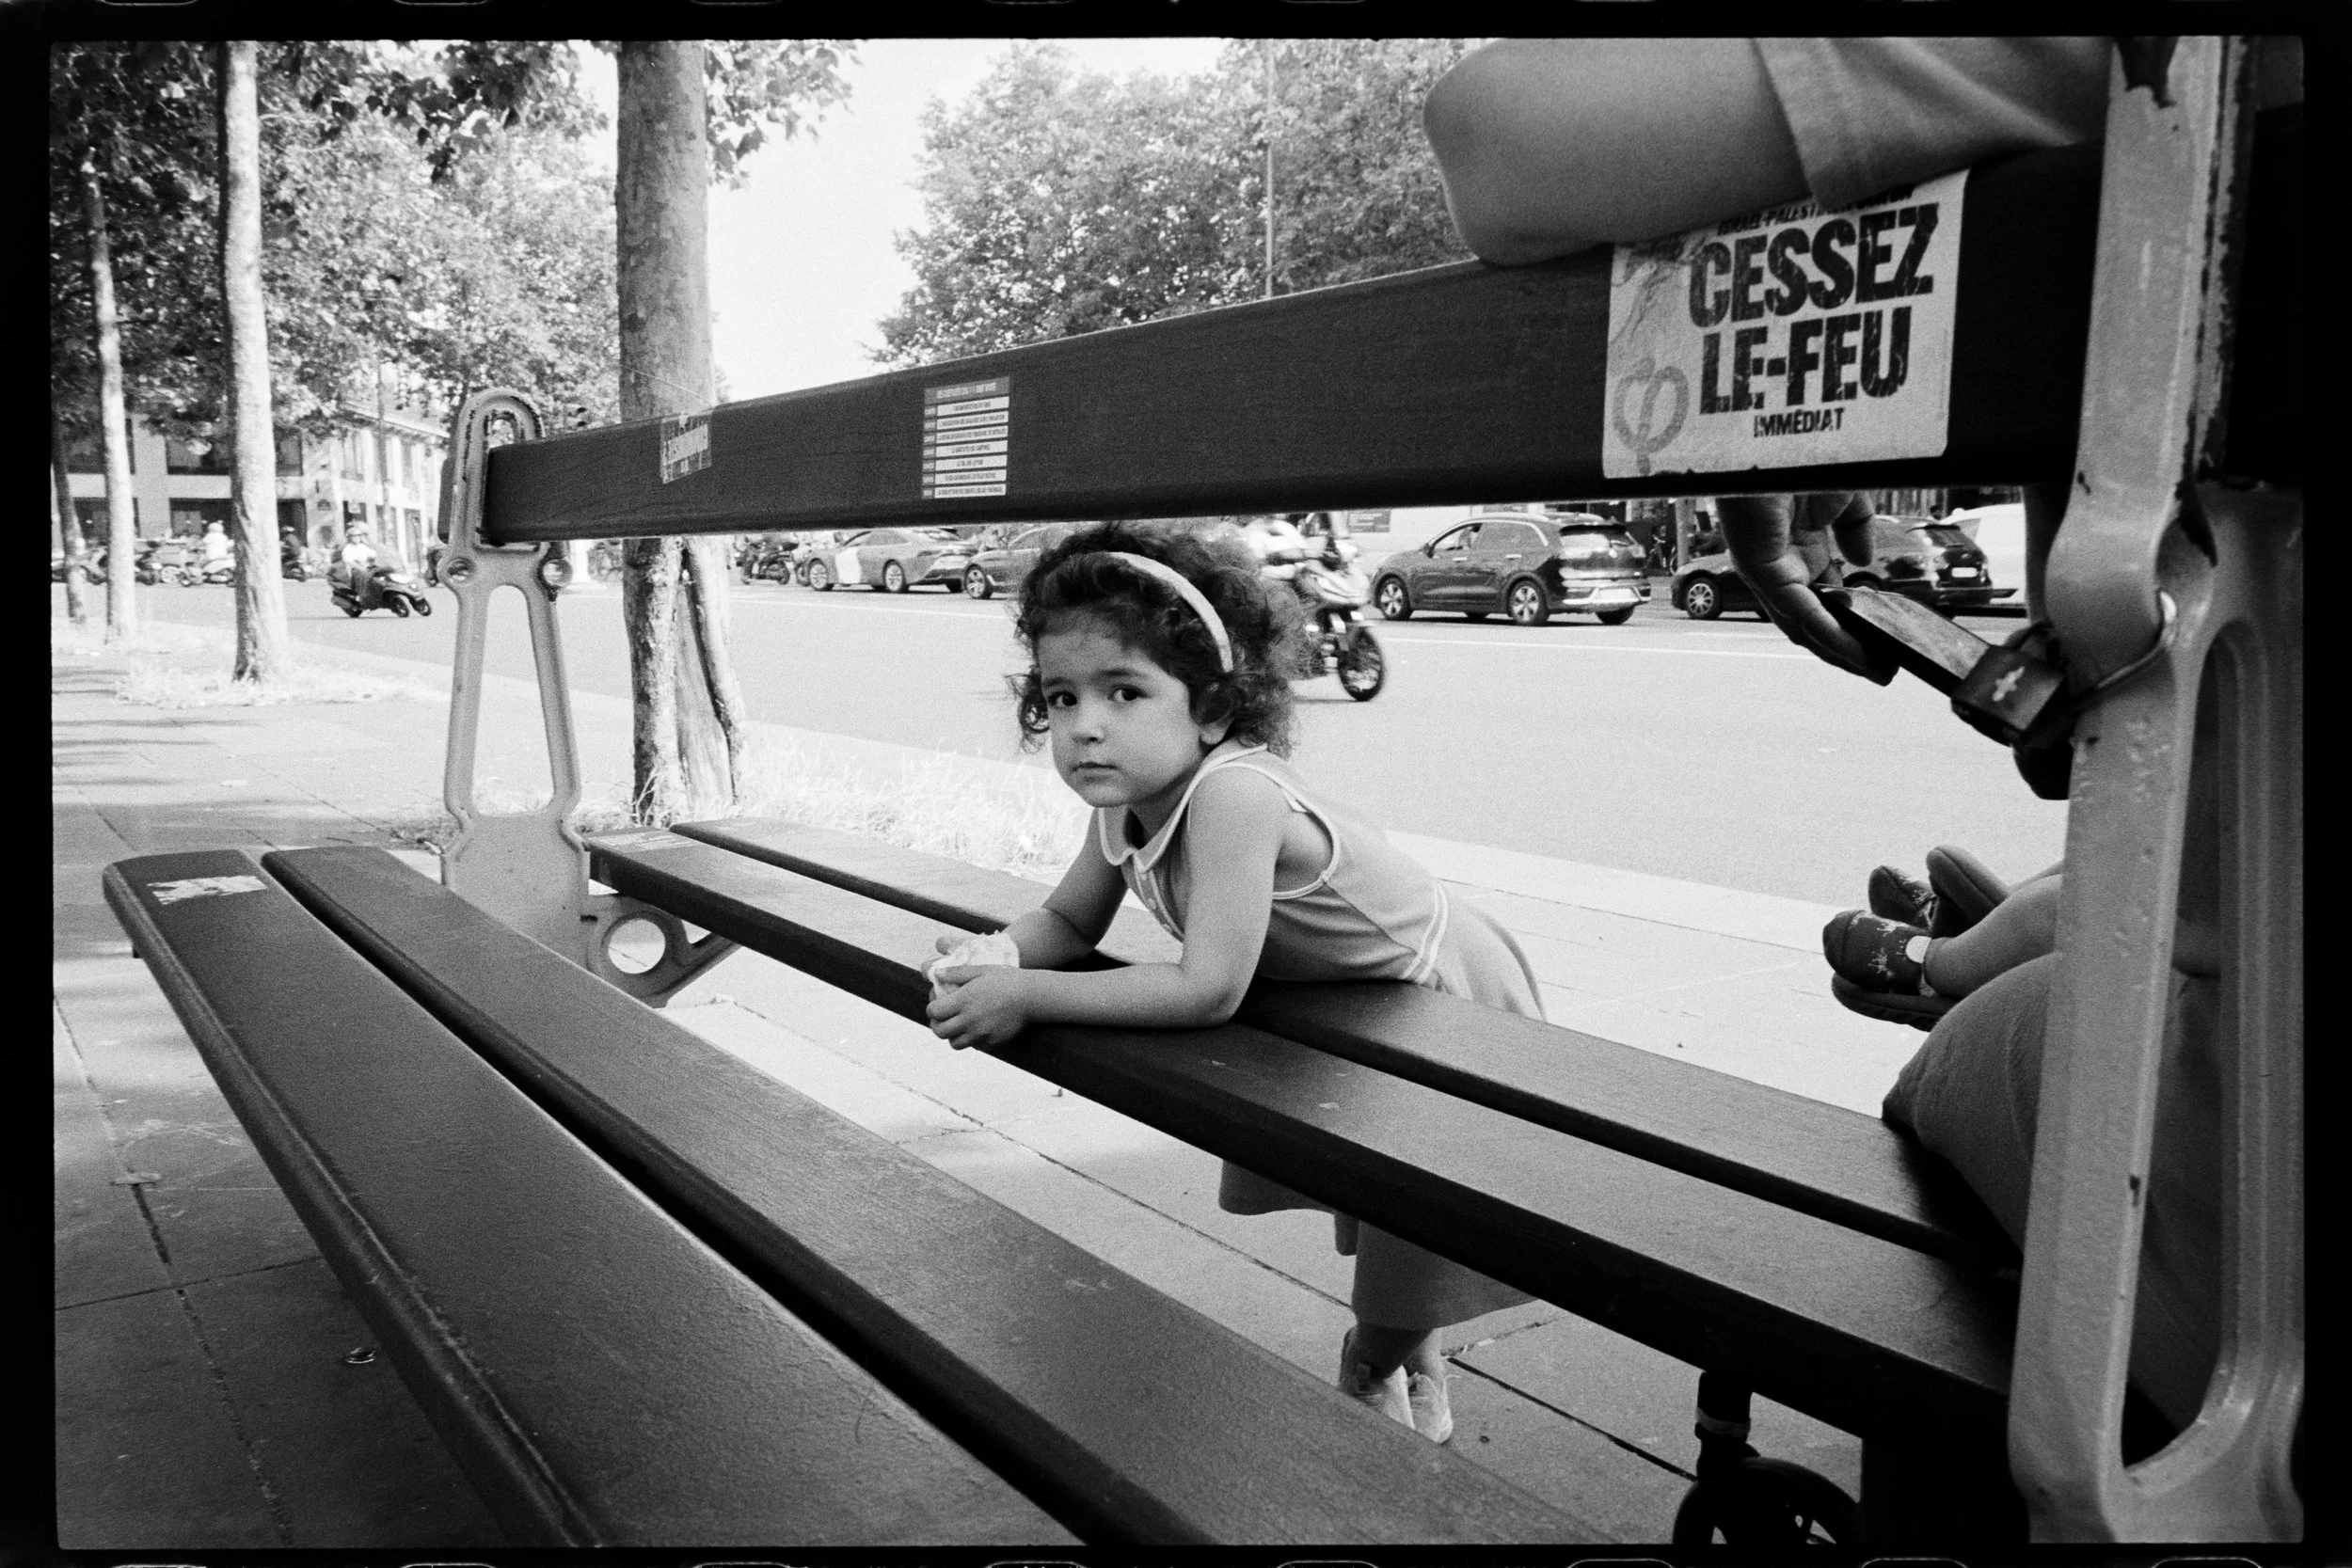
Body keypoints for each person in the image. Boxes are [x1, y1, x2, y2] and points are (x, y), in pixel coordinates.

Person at [925, 520, 1549, 1443]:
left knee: (1413, 1221)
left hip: (1438, 994)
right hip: (1349, 1006)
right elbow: (1065, 921)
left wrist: (1028, 999)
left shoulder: (1229, 795)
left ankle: (1375, 1371)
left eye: (1124, 690)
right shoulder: (1128, 802)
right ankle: (1410, 1360)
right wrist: (1004, 954)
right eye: (1061, 697)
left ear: (1213, 709)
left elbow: (1204, 987)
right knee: (1388, 1217)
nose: (1085, 723)